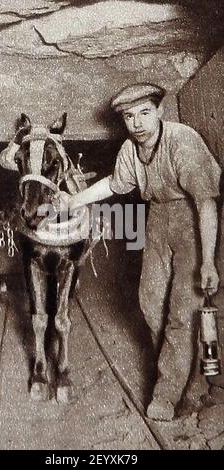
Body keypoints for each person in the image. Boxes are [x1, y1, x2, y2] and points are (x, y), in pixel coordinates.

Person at [65, 83, 222, 421]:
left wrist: (208, 260)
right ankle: (182, 374)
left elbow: (206, 202)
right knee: (149, 301)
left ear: (160, 111)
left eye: (144, 113)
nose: (137, 123)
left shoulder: (182, 141)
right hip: (156, 217)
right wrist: (73, 200)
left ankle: (168, 393)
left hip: (190, 218)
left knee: (184, 308)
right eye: (129, 117)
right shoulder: (129, 150)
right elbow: (114, 184)